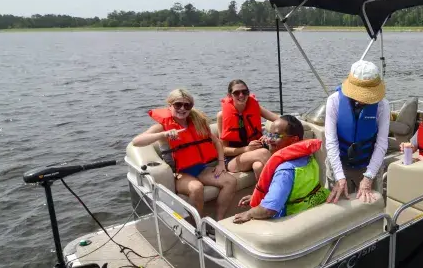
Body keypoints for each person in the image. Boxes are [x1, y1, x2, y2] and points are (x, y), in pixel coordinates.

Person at [133, 88, 237, 220]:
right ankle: (197, 226)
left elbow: (217, 142)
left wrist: (221, 164)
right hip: (179, 174)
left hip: (200, 169)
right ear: (170, 106)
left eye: (187, 105)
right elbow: (137, 141)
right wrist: (164, 134)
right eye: (178, 105)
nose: (182, 108)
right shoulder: (162, 127)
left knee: (230, 181)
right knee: (196, 188)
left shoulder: (197, 123)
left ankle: (219, 220)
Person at [233, 115, 329, 223]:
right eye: (268, 134)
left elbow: (268, 210)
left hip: (293, 219)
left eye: (276, 136)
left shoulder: (284, 171)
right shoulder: (308, 157)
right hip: (315, 208)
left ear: (294, 140)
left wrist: (249, 213)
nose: (269, 139)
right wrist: (257, 197)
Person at [324, 60, 389, 204]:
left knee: (371, 206)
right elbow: (331, 141)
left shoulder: (383, 105)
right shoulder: (334, 101)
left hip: (369, 165)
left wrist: (368, 177)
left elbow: (382, 143)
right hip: (339, 164)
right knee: (337, 207)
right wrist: (339, 176)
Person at [216, 79, 279, 179]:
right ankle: (283, 182)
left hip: (255, 152)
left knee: (258, 166)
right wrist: (246, 149)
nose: (241, 95)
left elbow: (279, 120)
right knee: (264, 152)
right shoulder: (222, 116)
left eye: (244, 92)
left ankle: (262, 189)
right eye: (236, 93)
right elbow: (224, 149)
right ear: (229, 95)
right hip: (233, 159)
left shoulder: (255, 107)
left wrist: (269, 135)